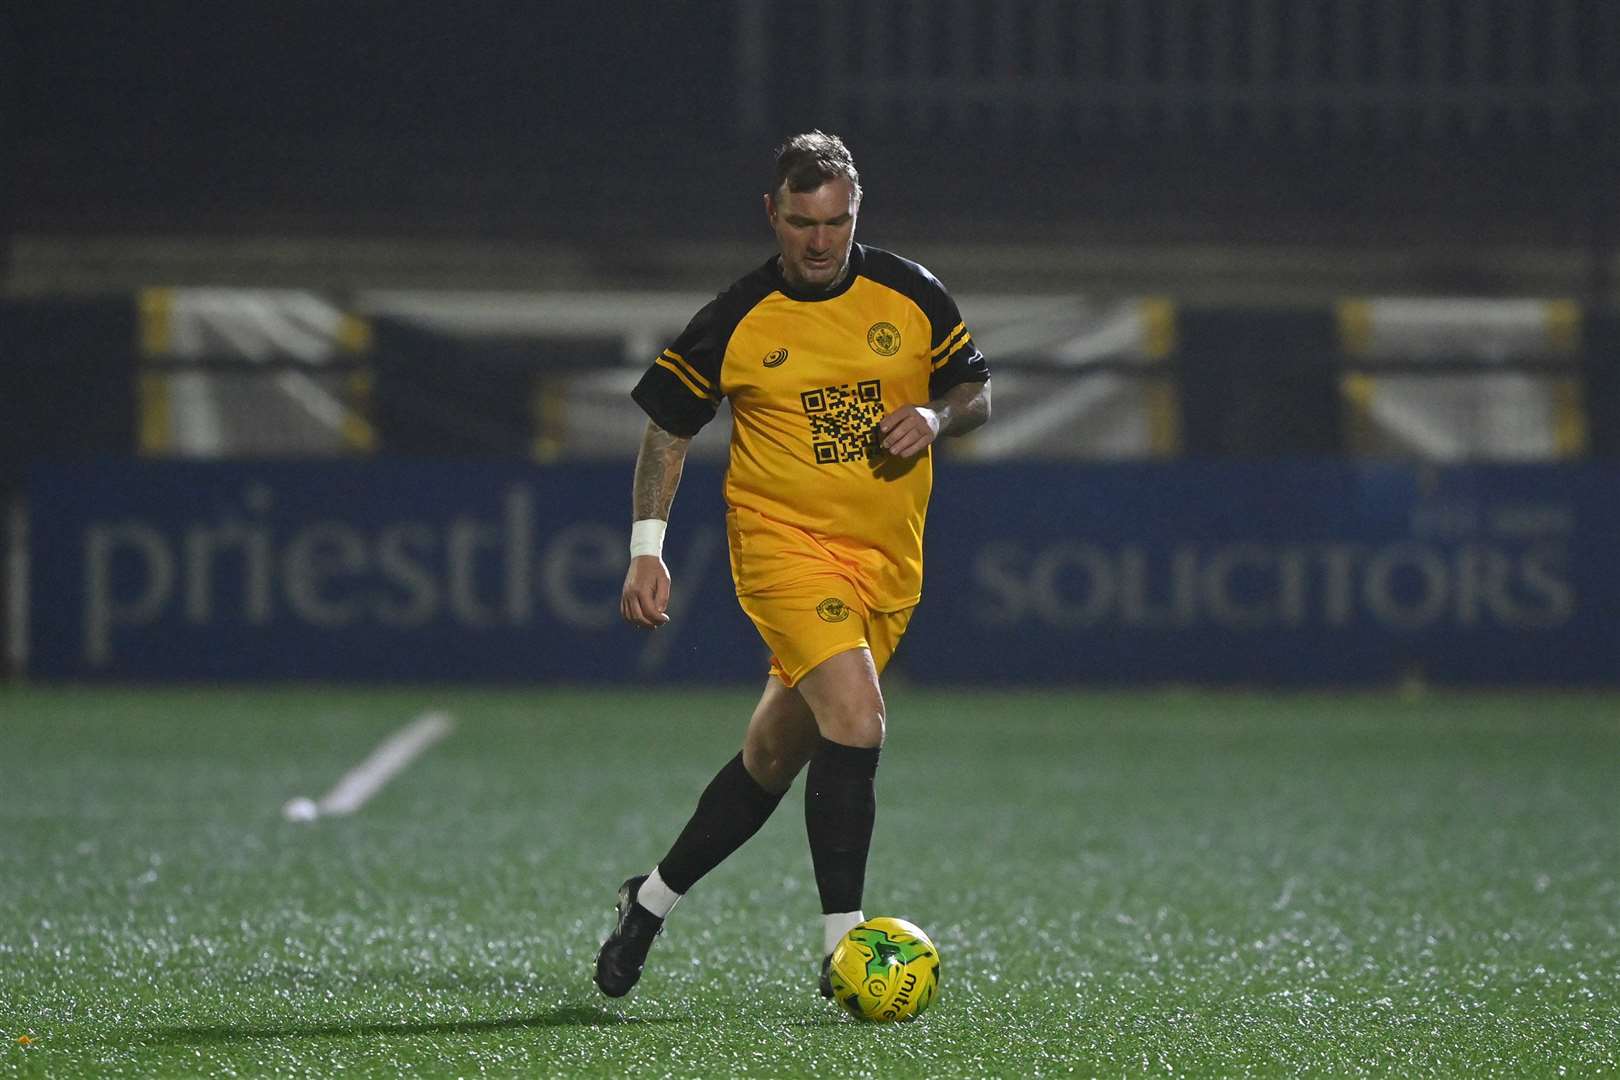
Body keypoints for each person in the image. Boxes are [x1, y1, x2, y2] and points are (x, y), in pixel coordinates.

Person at [595, 130, 991, 1000]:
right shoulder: (737, 317)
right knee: (858, 716)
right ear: (770, 214)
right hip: (782, 549)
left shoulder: (910, 290)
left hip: (887, 565)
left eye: (837, 221)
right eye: (802, 221)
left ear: (857, 213)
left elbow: (974, 389)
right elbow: (668, 425)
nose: (821, 241)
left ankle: (648, 901)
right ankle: (843, 951)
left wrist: (932, 416)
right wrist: (646, 552)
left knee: (771, 758)